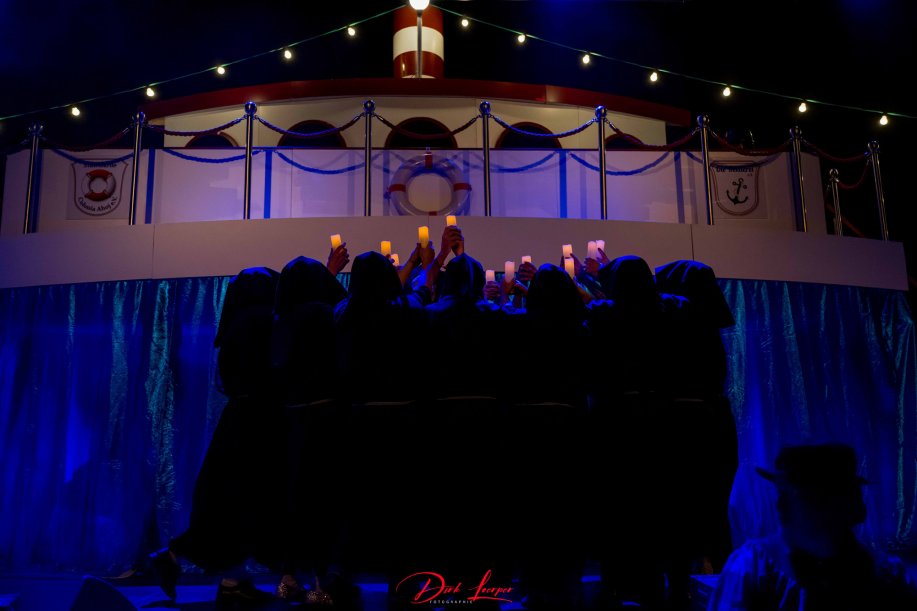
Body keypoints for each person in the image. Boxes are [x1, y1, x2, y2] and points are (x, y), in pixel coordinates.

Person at [149, 266, 282, 608]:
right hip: (257, 421)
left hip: (239, 419)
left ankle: (229, 580)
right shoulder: (262, 321)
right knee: (244, 502)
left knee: (231, 502)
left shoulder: (237, 324)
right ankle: (222, 576)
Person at [709, 443, 917, 610]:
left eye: (796, 495)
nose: (780, 504)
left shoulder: (886, 574)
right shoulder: (752, 565)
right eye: (781, 493)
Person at [655, 260, 738, 574]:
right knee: (713, 503)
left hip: (684, 423)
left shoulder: (676, 321)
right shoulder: (707, 325)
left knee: (681, 502)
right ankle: (715, 566)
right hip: (716, 422)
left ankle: (687, 571)